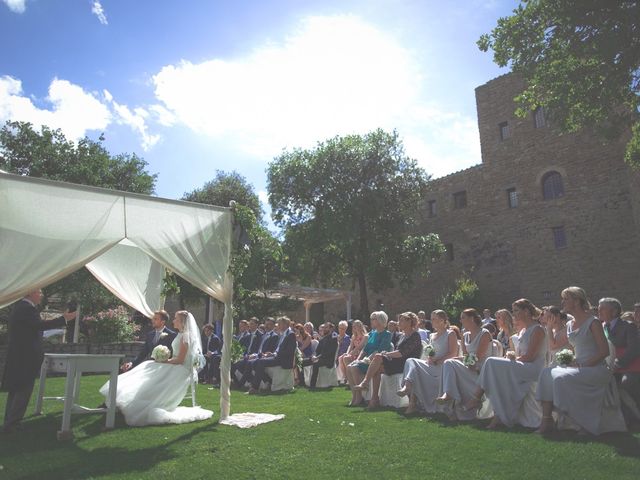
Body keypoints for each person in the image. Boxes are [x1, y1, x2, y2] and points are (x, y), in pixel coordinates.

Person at [536, 287, 626, 435]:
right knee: (546, 373)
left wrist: (582, 364)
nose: (562, 302)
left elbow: (605, 351)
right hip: (578, 366)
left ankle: (583, 422)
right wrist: (549, 328)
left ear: (577, 301)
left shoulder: (593, 322)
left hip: (596, 368)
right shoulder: (570, 324)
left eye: (566, 299)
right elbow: (553, 346)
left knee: (560, 378)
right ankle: (547, 420)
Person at [99, 310, 213, 426]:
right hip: (174, 364)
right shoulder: (180, 334)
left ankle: (138, 401)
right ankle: (125, 398)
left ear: (182, 322)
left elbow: (180, 360)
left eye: (175, 319)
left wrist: (163, 360)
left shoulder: (185, 337)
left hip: (181, 369)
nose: (173, 321)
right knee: (147, 365)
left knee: (151, 368)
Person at [1, 289, 76, 434]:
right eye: (38, 292)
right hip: (25, 356)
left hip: (19, 355)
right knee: (23, 389)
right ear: (29, 293)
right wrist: (63, 319)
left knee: (16, 389)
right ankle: (12, 424)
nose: (41, 295)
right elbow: (39, 325)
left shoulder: (22, 308)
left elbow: (33, 328)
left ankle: (10, 422)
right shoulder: (26, 308)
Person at [467, 299, 547, 429]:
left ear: (526, 311)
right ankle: (498, 415)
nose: (513, 313)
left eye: (516, 310)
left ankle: (476, 397)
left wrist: (513, 359)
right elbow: (521, 356)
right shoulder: (522, 331)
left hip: (533, 369)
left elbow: (531, 357)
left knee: (491, 362)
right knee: (494, 370)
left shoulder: (537, 329)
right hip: (523, 365)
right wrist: (511, 357)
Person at [354, 312, 423, 409]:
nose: (399, 322)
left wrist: (385, 354)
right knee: (377, 369)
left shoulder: (415, 336)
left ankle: (365, 383)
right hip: (397, 362)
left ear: (410, 321)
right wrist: (386, 354)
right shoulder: (401, 336)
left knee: (378, 356)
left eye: (402, 320)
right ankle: (374, 399)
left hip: (407, 365)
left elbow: (401, 353)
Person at [436, 308, 492, 421]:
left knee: (450, 363)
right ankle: (448, 396)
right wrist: (459, 359)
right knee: (448, 362)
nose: (460, 321)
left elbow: (479, 356)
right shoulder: (465, 335)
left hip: (480, 369)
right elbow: (466, 356)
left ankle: (449, 397)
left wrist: (464, 361)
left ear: (472, 319)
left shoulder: (484, 334)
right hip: (469, 366)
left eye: (463, 318)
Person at [398, 310, 458, 415]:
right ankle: (408, 390)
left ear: (442, 320)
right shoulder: (432, 335)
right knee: (410, 360)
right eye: (432, 319)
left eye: (434, 319)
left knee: (413, 366)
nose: (432, 321)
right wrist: (430, 358)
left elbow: (453, 354)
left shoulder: (450, 333)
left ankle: (412, 401)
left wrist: (438, 360)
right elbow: (430, 353)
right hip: (431, 365)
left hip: (443, 368)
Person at [599, 298, 640, 421]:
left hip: (627, 365)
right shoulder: (600, 327)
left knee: (626, 382)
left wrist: (618, 364)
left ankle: (632, 415)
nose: (599, 311)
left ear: (614, 311)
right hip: (605, 364)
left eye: (602, 308)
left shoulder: (628, 326)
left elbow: (633, 349)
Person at [346, 311, 393, 407]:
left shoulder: (386, 334)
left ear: (380, 320)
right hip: (367, 359)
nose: (371, 321)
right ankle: (355, 395)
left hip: (377, 361)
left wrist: (364, 360)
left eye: (373, 319)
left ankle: (359, 396)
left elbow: (380, 350)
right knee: (350, 366)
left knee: (354, 367)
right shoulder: (372, 333)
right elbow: (365, 349)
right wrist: (358, 359)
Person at [247, 317, 297, 394]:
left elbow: (289, 351)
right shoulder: (282, 334)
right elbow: (279, 348)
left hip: (283, 360)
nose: (278, 326)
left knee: (261, 362)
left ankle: (255, 388)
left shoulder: (291, 334)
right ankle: (269, 382)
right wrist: (272, 354)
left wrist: (276, 354)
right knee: (256, 362)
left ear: (285, 325)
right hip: (277, 357)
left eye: (279, 324)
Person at [234, 317, 280, 388]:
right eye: (266, 324)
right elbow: (259, 349)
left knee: (249, 363)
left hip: (265, 357)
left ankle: (242, 384)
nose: (267, 326)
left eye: (269, 325)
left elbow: (272, 350)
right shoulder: (264, 335)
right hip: (258, 355)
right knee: (239, 363)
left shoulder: (274, 336)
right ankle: (246, 383)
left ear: (274, 326)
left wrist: (260, 355)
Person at [302, 323, 339, 388]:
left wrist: (317, 358)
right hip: (319, 358)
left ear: (331, 329)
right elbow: (317, 351)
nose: (324, 329)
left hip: (328, 360)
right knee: (302, 362)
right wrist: (314, 356)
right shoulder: (323, 339)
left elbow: (328, 353)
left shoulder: (333, 339)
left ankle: (313, 385)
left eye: (326, 327)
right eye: (324, 327)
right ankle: (302, 382)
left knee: (316, 364)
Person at [338, 320, 367, 384]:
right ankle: (347, 377)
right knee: (341, 358)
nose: (354, 328)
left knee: (346, 358)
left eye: (356, 326)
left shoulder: (365, 336)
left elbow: (359, 347)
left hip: (362, 354)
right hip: (355, 352)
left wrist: (351, 354)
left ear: (360, 326)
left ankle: (349, 378)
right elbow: (350, 346)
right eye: (353, 326)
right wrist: (347, 353)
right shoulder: (354, 336)